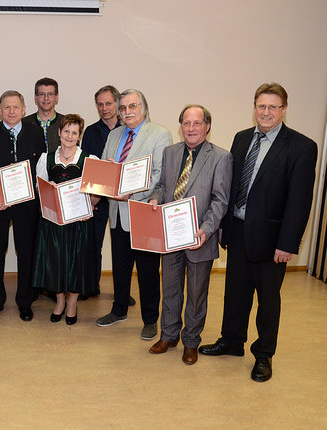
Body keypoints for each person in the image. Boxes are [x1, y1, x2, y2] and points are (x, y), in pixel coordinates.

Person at [199, 83, 317, 382]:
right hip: (237, 230)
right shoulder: (241, 139)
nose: (265, 112)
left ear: (283, 110)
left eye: (272, 107)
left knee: (268, 300)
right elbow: (230, 186)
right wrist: (224, 226)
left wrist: (288, 243)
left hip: (272, 239)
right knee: (235, 293)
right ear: (255, 108)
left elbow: (299, 202)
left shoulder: (302, 147)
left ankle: (264, 355)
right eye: (261, 106)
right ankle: (232, 341)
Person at [147, 105, 232, 365]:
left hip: (199, 238)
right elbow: (163, 187)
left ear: (207, 126)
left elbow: (220, 201)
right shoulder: (170, 152)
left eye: (196, 123)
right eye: (186, 123)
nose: (191, 128)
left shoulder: (220, 157)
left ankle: (191, 341)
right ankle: (169, 335)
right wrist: (154, 198)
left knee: (197, 294)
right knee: (170, 288)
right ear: (180, 126)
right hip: (171, 236)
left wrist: (205, 231)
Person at [96, 89, 172, 341]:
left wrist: (132, 192)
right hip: (117, 211)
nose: (127, 111)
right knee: (120, 265)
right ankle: (119, 310)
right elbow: (109, 170)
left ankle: (150, 319)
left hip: (143, 211)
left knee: (148, 270)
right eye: (123, 107)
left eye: (132, 106)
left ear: (144, 108)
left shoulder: (160, 134)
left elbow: (160, 174)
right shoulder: (115, 134)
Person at [0, 90, 46, 321]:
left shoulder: (35, 132)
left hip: (27, 205)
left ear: (24, 109)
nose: (12, 111)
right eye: (7, 107)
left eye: (16, 107)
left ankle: (25, 301)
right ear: (0, 110)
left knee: (26, 252)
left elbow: (41, 168)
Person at [32, 114, 99, 324]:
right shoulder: (46, 158)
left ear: (79, 136)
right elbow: (39, 189)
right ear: (59, 133)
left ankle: (72, 303)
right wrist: (48, 192)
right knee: (56, 262)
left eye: (75, 132)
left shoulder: (90, 160)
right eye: (66, 131)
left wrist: (89, 204)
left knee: (76, 263)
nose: (70, 136)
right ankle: (60, 301)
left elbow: (96, 196)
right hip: (54, 223)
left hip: (79, 223)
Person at [81, 85, 135, 305]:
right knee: (93, 243)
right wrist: (90, 197)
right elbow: (86, 164)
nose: (104, 108)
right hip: (98, 200)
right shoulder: (91, 132)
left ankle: (122, 292)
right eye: (100, 104)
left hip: (123, 199)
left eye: (108, 104)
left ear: (117, 104)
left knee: (122, 247)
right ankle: (91, 285)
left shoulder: (129, 129)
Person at [23, 77, 64, 154]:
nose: (46, 98)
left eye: (50, 94)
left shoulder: (66, 123)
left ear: (56, 97)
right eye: (42, 94)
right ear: (35, 98)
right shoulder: (23, 124)